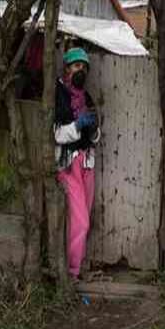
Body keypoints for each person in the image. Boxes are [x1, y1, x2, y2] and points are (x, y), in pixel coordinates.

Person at [54, 47, 100, 280]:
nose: (80, 70)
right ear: (67, 68)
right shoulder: (58, 95)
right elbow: (57, 135)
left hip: (87, 162)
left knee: (84, 220)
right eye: (76, 66)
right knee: (80, 222)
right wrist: (77, 126)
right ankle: (71, 272)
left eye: (84, 67)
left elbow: (96, 137)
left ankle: (77, 267)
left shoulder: (87, 97)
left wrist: (93, 129)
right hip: (68, 164)